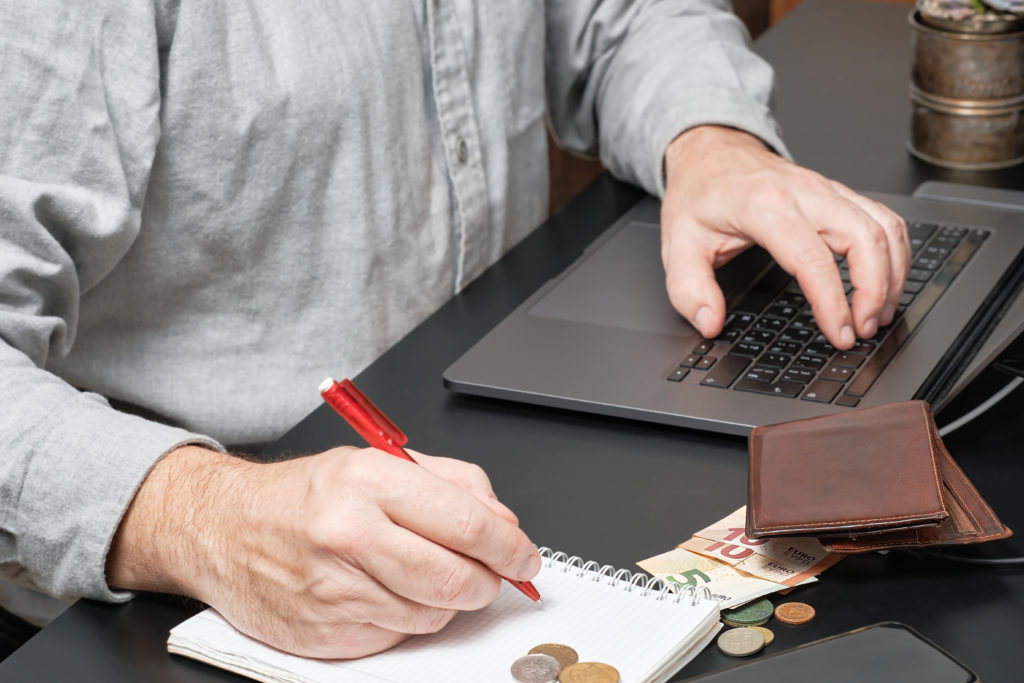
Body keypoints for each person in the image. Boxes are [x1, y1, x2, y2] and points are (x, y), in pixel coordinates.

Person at [0, 0, 909, 662]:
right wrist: (198, 517)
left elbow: (621, 17)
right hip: (183, 587)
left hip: (488, 455)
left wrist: (711, 141)